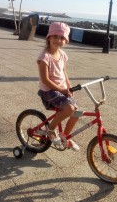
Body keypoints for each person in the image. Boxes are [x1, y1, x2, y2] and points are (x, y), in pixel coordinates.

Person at [37, 22, 80, 151]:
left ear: (65, 41)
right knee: (69, 108)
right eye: (55, 36)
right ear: (48, 38)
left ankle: (65, 137)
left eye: (62, 38)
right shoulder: (44, 57)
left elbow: (64, 72)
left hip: (62, 90)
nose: (58, 40)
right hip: (49, 91)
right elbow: (45, 80)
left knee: (77, 112)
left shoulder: (62, 55)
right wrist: (61, 90)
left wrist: (69, 87)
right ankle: (50, 129)